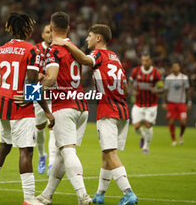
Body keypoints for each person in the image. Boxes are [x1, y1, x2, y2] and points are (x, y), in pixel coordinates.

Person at [0, 12, 54, 205]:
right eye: (30, 26)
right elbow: (32, 83)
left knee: (4, 147)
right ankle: (28, 199)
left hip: (4, 105)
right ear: (25, 29)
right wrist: (47, 112)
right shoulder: (32, 50)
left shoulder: (0, 50)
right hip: (21, 106)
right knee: (26, 152)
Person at [53, 24, 138, 205]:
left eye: (89, 36)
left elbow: (84, 59)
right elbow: (126, 89)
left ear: (98, 39)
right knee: (106, 156)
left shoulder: (98, 55)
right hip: (122, 110)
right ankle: (100, 195)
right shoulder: (115, 58)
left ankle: (129, 193)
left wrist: (67, 44)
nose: (87, 39)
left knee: (111, 153)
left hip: (107, 111)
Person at [36, 12, 92, 205]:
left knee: (68, 151)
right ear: (68, 28)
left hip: (64, 106)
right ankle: (46, 195)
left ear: (51, 29)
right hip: (82, 107)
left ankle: (83, 196)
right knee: (61, 152)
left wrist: (33, 91)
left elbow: (51, 78)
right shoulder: (73, 47)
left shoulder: (53, 50)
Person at [129, 55, 163, 154]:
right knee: (136, 127)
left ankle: (146, 147)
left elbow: (161, 88)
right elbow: (130, 82)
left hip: (151, 105)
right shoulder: (136, 71)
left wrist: (156, 90)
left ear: (151, 61)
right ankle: (143, 137)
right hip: (138, 103)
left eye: (147, 60)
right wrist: (133, 91)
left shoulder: (156, 73)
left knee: (148, 124)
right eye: (143, 60)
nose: (145, 62)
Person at [34, 24, 56, 175]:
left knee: (53, 128)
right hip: (37, 93)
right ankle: (42, 156)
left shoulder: (59, 49)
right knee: (39, 129)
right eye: (47, 32)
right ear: (42, 35)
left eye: (52, 32)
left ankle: (52, 164)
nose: (50, 35)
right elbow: (28, 71)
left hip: (54, 94)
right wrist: (38, 76)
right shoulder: (35, 49)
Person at [162, 62, 192, 146]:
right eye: (174, 67)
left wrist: (189, 102)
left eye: (177, 66)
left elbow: (188, 90)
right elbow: (165, 91)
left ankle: (181, 135)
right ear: (172, 68)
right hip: (171, 102)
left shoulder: (184, 77)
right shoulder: (168, 78)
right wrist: (164, 102)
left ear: (179, 68)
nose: (176, 68)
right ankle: (174, 140)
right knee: (171, 121)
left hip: (181, 103)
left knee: (183, 123)